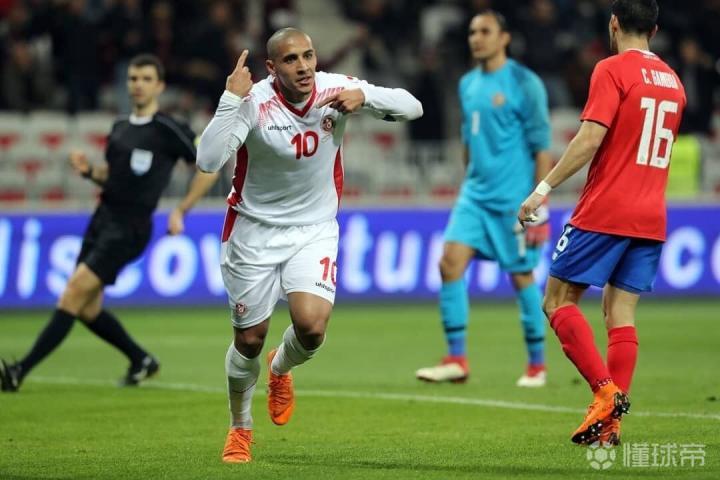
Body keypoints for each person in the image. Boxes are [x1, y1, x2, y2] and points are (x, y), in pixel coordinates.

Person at [196, 27, 422, 463]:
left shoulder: (335, 88)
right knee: (249, 339)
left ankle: (280, 368)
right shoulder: (253, 102)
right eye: (291, 59)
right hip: (254, 232)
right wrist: (230, 99)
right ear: (271, 67)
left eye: (308, 56)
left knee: (312, 328)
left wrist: (366, 97)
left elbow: (413, 106)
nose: (303, 67)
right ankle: (240, 428)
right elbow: (207, 161)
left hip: (314, 229)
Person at [518, 0, 685, 446]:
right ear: (654, 30)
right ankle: (611, 426)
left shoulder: (612, 69)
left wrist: (542, 188)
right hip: (651, 214)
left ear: (613, 24)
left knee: (557, 300)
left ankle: (605, 393)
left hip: (607, 207)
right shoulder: (674, 81)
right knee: (620, 312)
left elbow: (591, 138)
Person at [0, 54, 219, 392]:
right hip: (102, 219)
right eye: (133, 78)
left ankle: (18, 371)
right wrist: (90, 171)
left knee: (72, 295)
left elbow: (210, 167)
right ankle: (141, 359)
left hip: (130, 227)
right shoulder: (120, 128)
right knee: (87, 308)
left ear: (160, 86)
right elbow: (113, 176)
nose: (138, 85)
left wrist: (182, 210)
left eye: (146, 79)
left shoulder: (168, 128)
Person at [415, 10, 552, 387]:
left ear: (504, 38)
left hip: (513, 200)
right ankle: (456, 358)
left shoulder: (525, 83)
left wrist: (539, 203)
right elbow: (468, 138)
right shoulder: (468, 84)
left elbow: (542, 147)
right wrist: (468, 177)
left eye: (485, 31)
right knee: (449, 264)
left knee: (521, 276)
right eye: (473, 31)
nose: (476, 38)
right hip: (474, 195)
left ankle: (537, 365)